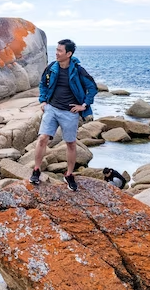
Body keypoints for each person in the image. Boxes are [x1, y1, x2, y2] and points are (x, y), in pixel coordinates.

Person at [29, 39, 97, 191]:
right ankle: (36, 170)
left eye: (60, 51)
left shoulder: (78, 70)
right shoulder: (52, 67)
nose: (56, 53)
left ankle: (69, 174)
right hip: (52, 109)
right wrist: (43, 101)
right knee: (42, 138)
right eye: (57, 50)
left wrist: (83, 105)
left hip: (70, 113)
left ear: (69, 54)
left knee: (71, 144)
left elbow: (92, 88)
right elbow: (43, 84)